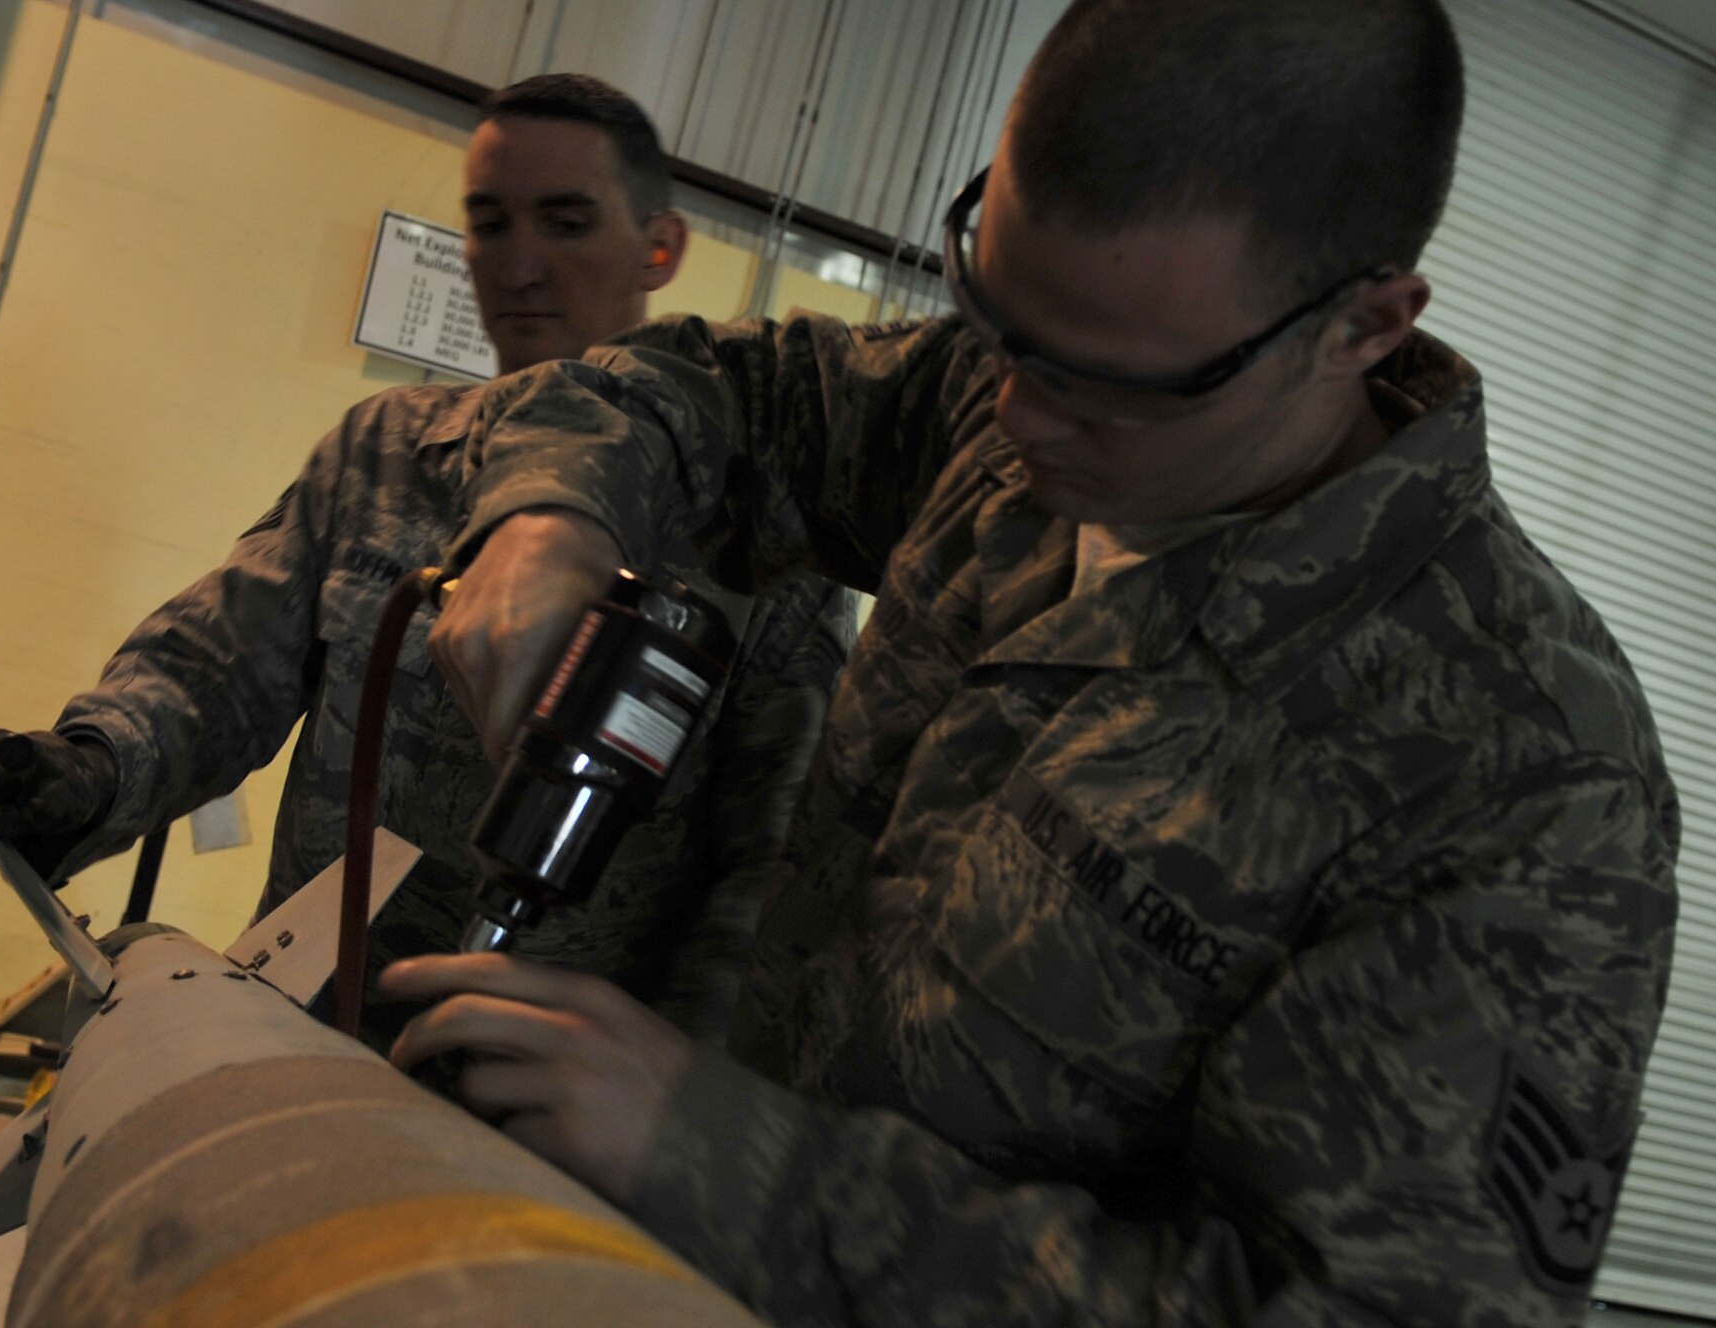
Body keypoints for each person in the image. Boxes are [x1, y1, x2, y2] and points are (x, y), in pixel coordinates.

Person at [374, 3, 1681, 1324]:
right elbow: (700, 389)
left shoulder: (1519, 774)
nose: (1014, 413)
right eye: (991, 317)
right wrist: (552, 518)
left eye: (1106, 383)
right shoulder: (1020, 395)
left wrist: (733, 1164)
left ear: (1366, 325)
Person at [0, 73, 857, 1044]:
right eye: (489, 224)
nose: (519, 266)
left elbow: (765, 878)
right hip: (306, 1033)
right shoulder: (384, 454)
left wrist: (671, 1117)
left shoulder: (760, 556)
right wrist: (86, 765)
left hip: (542, 1103)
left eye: (565, 222)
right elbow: (215, 670)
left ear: (659, 246)